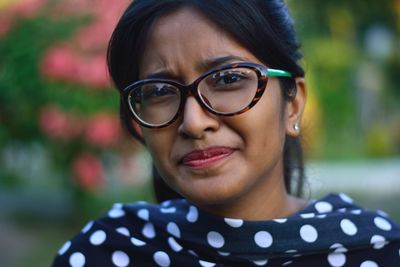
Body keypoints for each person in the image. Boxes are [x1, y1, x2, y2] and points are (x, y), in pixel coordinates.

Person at [52, 0, 400, 266]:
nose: (193, 122)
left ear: (293, 104)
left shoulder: (378, 252)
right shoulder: (107, 252)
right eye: (159, 91)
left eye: (229, 79)